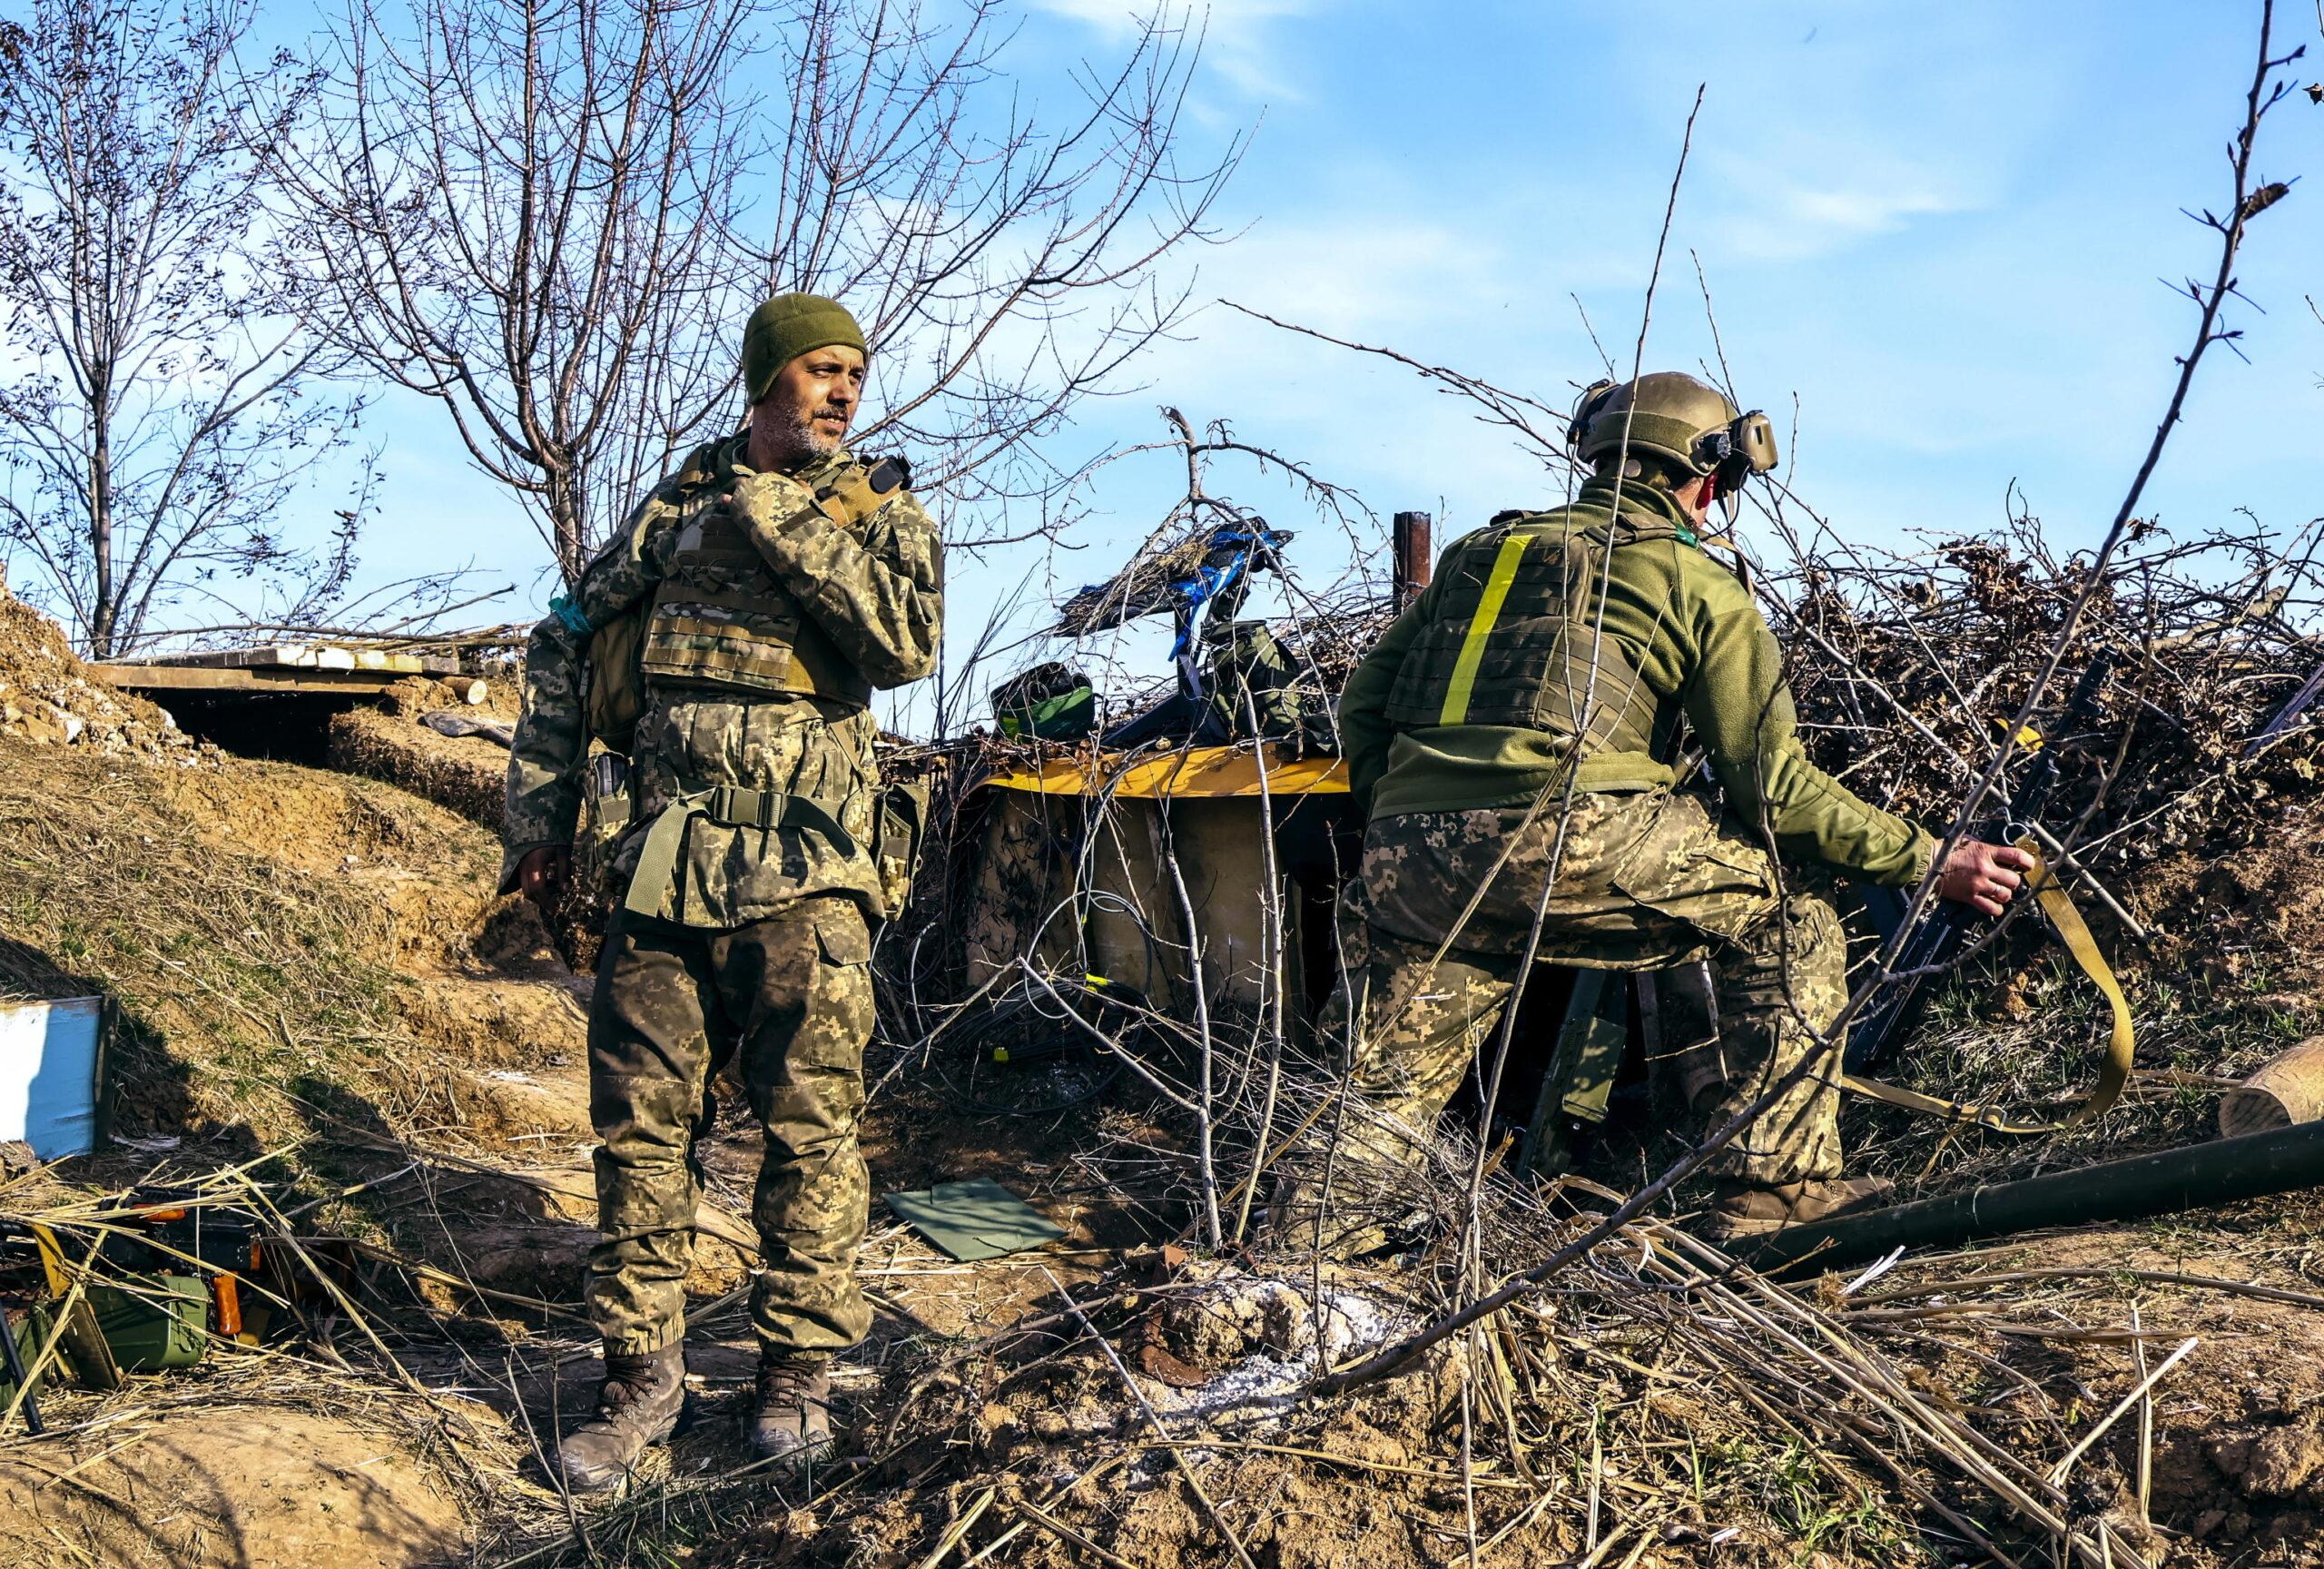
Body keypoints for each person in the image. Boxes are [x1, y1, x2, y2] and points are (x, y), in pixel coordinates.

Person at [1294, 370, 2029, 1250]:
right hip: (1573, 837)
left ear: (1598, 458)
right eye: (1719, 492)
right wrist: (1929, 858)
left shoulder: (1475, 556)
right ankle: (1777, 1188)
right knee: (1791, 925)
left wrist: (1406, 822)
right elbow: (1777, 795)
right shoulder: (1698, 585)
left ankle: (1307, 1261)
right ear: (1704, 480)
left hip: (1408, 859)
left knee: (1376, 1090)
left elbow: (1363, 710)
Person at [502, 293, 942, 1489]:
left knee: (812, 1140)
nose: (843, 390)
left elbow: (901, 646)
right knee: (642, 1139)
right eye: (818, 369)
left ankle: (793, 1380)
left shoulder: (881, 513)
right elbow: (560, 640)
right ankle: (641, 1386)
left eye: (855, 370)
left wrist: (777, 508)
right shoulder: (671, 513)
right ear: (765, 380)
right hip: (665, 869)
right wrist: (538, 822)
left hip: (810, 878)